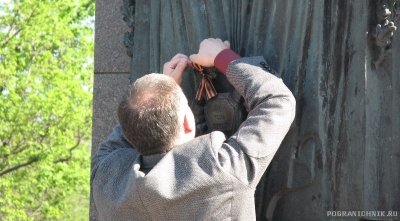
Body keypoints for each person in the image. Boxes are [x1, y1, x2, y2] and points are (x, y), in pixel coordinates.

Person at [91, 38, 296, 221]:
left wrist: (161, 93)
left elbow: (132, 124)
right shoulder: (222, 169)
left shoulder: (105, 181)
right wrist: (222, 56)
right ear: (189, 123)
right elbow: (277, 101)